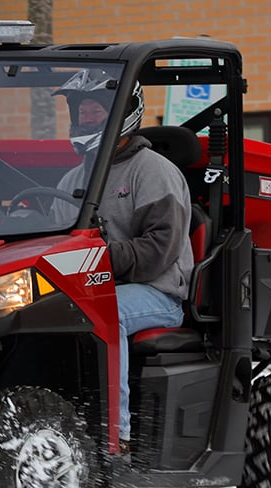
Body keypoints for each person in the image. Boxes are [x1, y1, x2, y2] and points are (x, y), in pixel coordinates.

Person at [52, 70, 194, 453]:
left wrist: (96, 260)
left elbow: (159, 251)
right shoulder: (73, 179)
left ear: (125, 110)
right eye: (82, 111)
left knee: (104, 314)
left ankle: (116, 436)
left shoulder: (153, 171)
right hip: (90, 289)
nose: (87, 117)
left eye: (97, 109)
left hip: (157, 293)